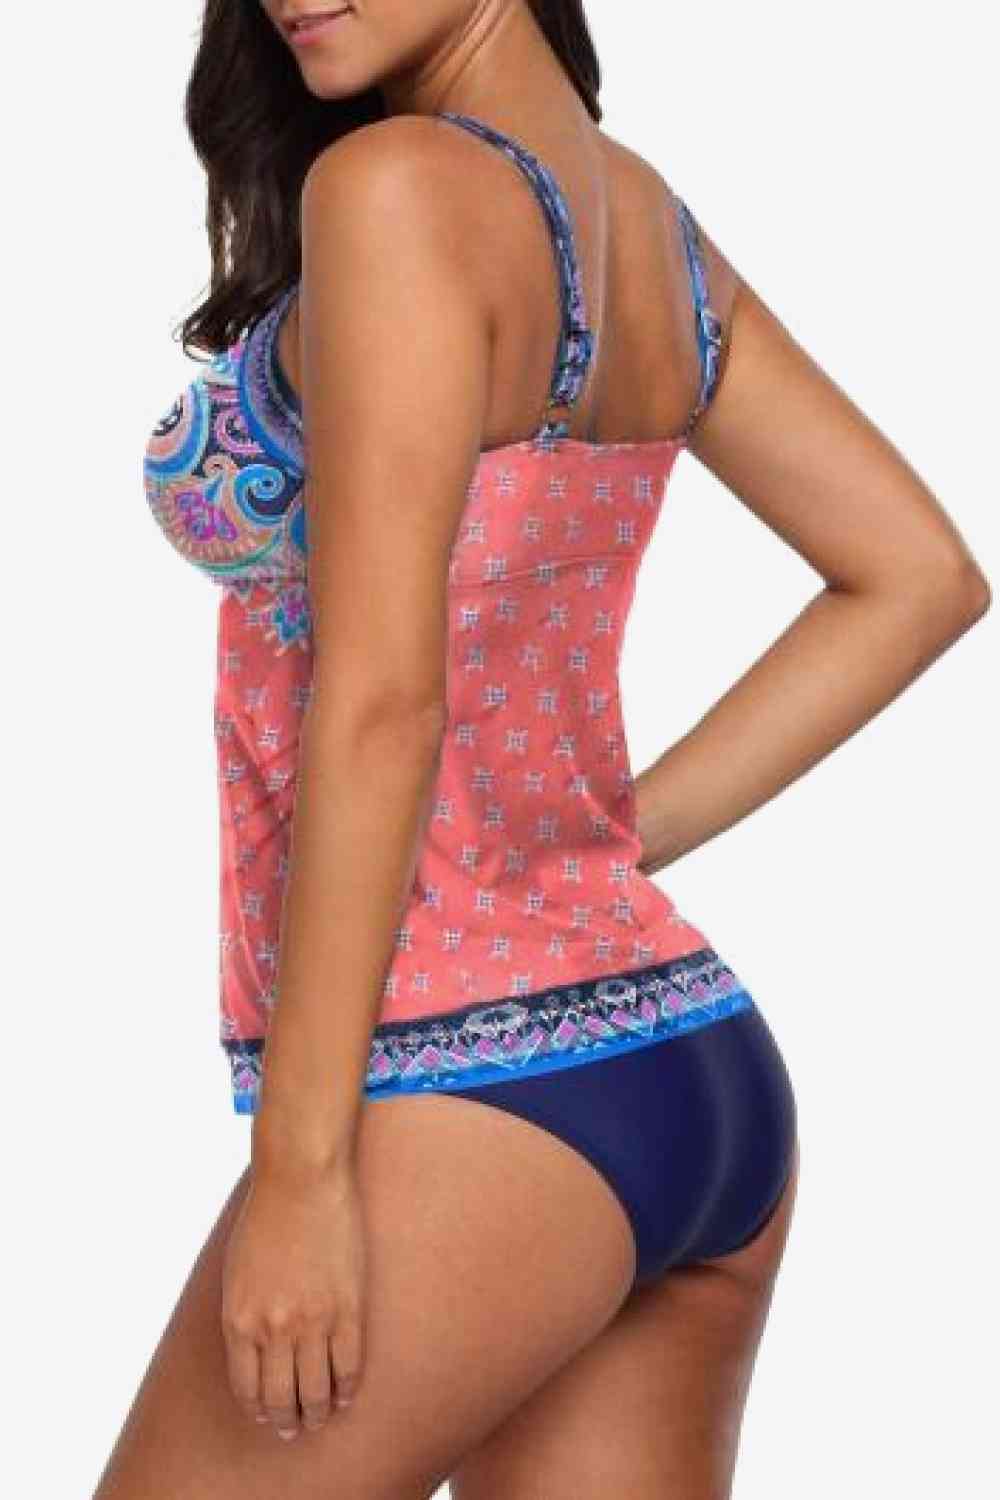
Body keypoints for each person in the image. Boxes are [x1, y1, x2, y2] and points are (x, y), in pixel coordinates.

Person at [101, 2, 990, 1495]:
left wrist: (302, 1173)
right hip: (685, 1065)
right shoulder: (643, 224)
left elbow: (383, 702)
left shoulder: (391, 192)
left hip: (467, 1091)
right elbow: (918, 575)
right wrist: (601, 844)